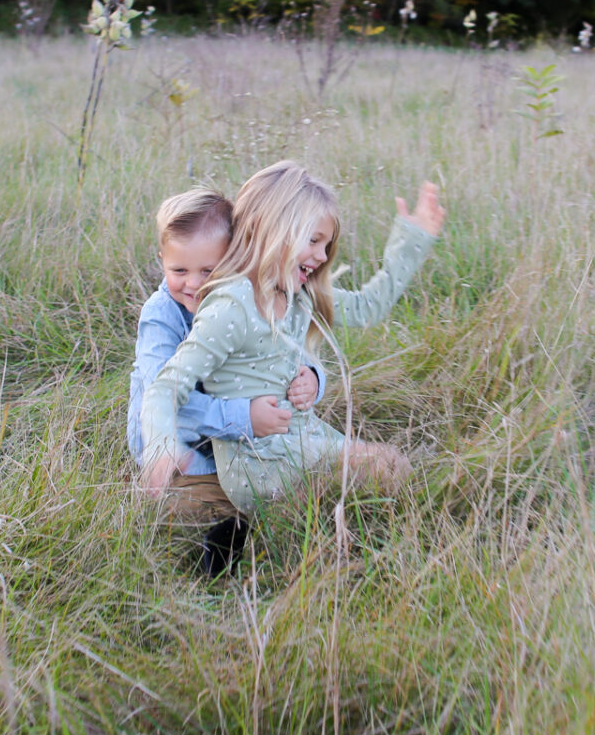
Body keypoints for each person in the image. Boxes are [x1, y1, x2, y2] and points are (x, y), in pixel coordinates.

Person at [139, 160, 444, 518]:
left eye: (326, 244)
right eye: (313, 240)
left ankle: (289, 521)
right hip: (258, 460)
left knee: (396, 468)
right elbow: (164, 386)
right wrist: (162, 446)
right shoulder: (231, 306)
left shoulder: (298, 294)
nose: (321, 255)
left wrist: (413, 242)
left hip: (298, 438)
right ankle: (261, 522)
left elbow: (366, 308)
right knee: (385, 468)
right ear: (272, 230)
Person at [127, 188, 323, 570]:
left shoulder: (250, 300)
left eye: (209, 270)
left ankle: (251, 507)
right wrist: (243, 416)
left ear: (235, 260)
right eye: (179, 271)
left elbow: (294, 351)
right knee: (186, 500)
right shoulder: (162, 316)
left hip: (241, 441)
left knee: (297, 474)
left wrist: (313, 379)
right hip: (180, 445)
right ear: (162, 262)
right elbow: (162, 395)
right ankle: (226, 527)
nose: (193, 284)